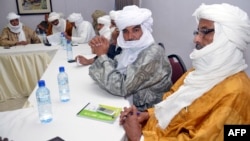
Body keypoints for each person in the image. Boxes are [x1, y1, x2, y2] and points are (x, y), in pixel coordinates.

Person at [119, 3, 250, 141]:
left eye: (205, 31)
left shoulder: (238, 93)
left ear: (227, 37)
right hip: (153, 130)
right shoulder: (200, 71)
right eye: (197, 32)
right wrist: (146, 114)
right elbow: (171, 100)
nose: (196, 39)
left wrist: (139, 139)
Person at [89, 5, 172, 111]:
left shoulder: (152, 53)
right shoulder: (131, 48)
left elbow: (122, 87)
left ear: (145, 30)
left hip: (148, 112)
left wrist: (102, 56)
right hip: (129, 102)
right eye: (125, 31)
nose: (130, 37)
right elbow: (115, 67)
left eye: (135, 30)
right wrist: (102, 52)